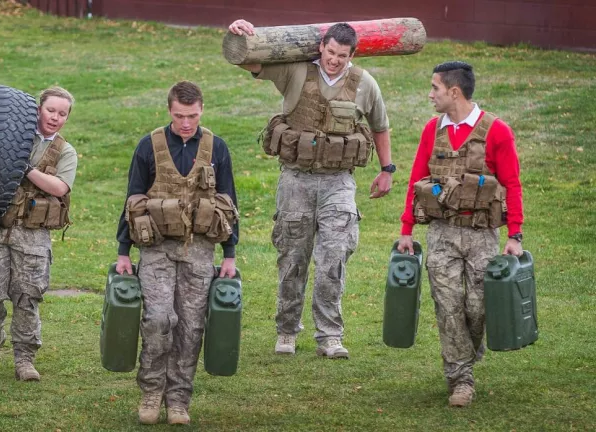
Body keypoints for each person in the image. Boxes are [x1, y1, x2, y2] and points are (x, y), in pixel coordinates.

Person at [228, 19, 394, 359]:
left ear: (352, 54)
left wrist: (387, 169)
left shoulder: (365, 84)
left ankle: (330, 336)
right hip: (296, 180)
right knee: (292, 258)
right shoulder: (295, 71)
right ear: (321, 47)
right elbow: (250, 62)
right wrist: (241, 33)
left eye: (342, 55)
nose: (334, 60)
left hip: (339, 182)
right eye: (330, 52)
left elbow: (381, 126)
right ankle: (287, 331)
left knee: (333, 257)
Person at [396, 61, 524, 407]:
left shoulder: (497, 131)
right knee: (448, 306)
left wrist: (515, 235)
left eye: (434, 88)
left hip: (482, 235)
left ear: (454, 92)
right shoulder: (431, 130)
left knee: (478, 306)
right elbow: (415, 179)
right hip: (441, 233)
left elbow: (512, 184)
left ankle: (467, 350)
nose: (430, 94)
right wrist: (406, 230)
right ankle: (461, 380)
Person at [115, 81, 239, 425]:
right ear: (169, 110)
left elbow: (229, 203)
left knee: (190, 326)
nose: (187, 123)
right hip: (155, 248)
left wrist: (229, 254)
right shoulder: (149, 146)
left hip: (200, 250)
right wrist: (123, 251)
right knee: (157, 320)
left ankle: (179, 400)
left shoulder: (217, 148)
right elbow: (133, 198)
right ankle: (151, 393)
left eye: (193, 116)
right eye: (180, 116)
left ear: (202, 110)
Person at [0, 86, 78, 381]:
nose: (55, 117)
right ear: (38, 109)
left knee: (27, 297)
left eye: (62, 113)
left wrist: (24, 168)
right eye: (50, 110)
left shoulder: (65, 152)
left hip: (32, 235)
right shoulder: (12, 133)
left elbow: (59, 188)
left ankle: (25, 358)